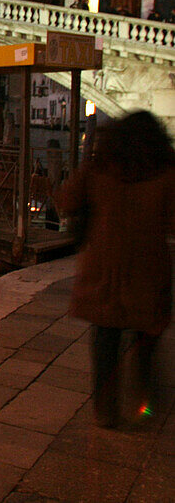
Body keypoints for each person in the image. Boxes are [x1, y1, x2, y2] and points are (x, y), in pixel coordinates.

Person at [55, 111, 175, 428]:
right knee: (145, 344)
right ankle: (144, 401)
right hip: (149, 273)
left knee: (105, 345)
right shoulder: (166, 173)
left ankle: (106, 411)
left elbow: (67, 201)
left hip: (102, 273)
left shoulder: (100, 167)